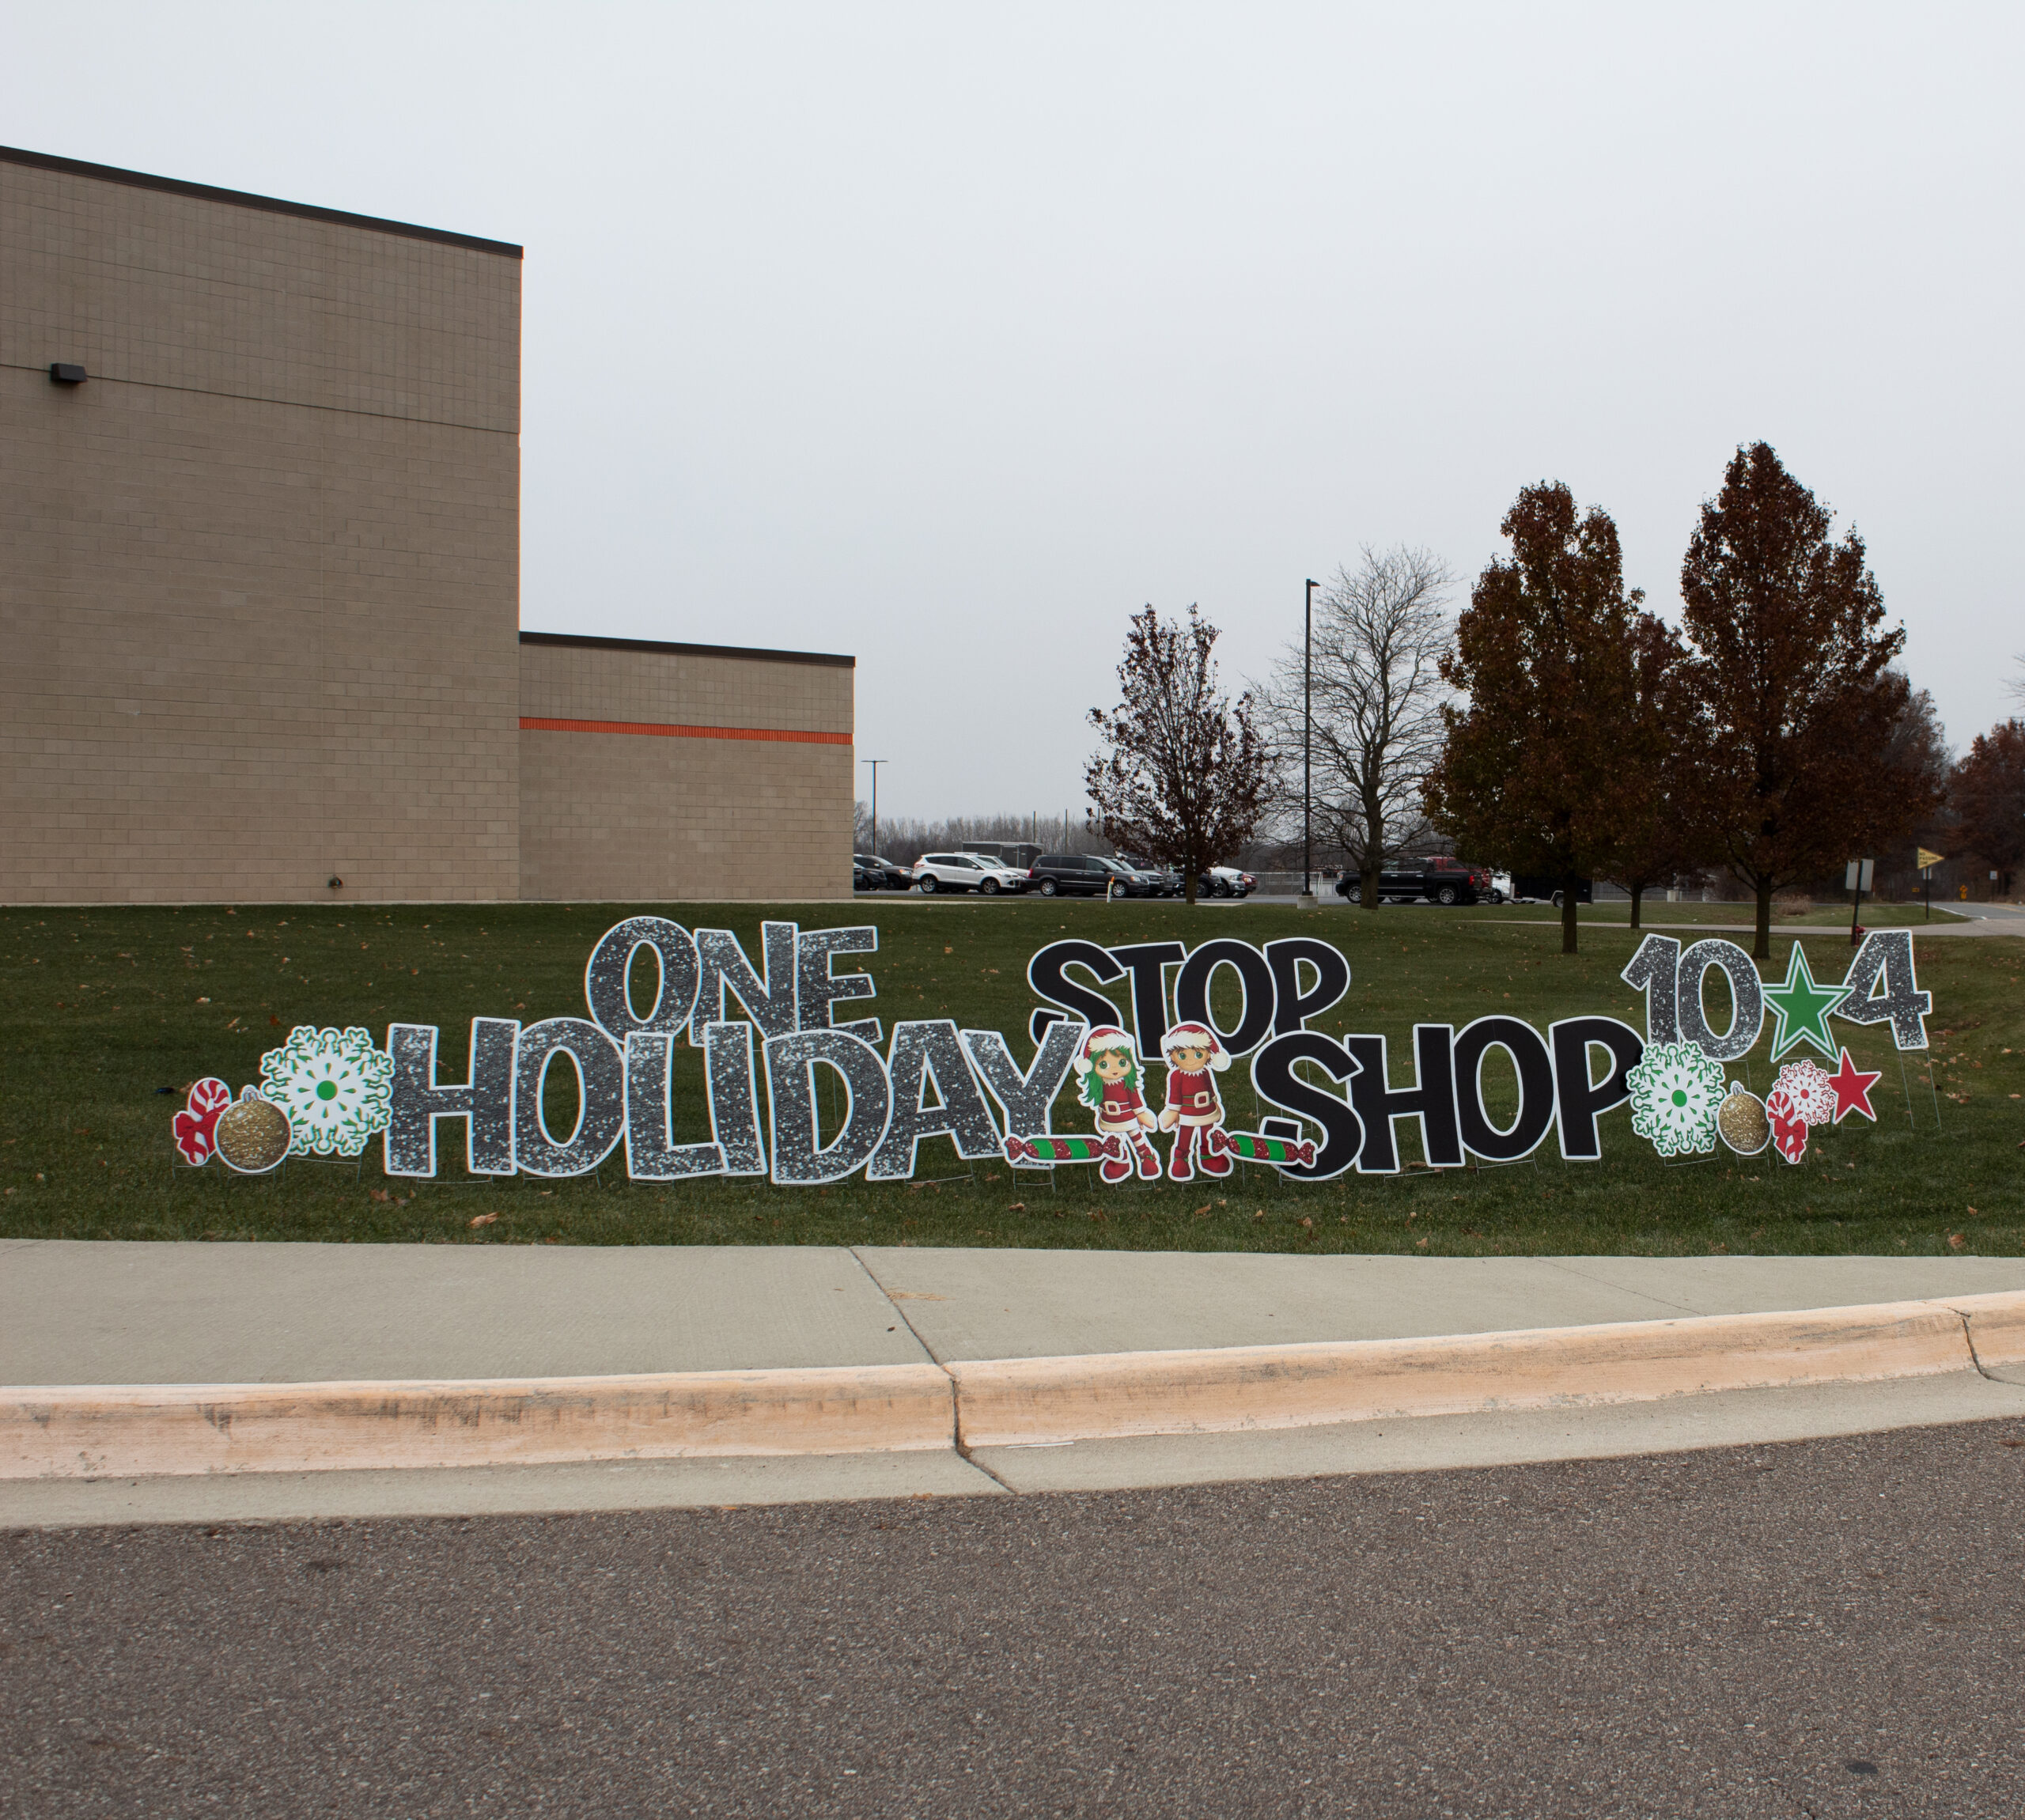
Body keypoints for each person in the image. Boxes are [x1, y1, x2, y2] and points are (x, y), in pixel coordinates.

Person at [1071, 1025, 1160, 1183]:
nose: (1114, 1069)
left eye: (1121, 1062)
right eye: (1104, 1064)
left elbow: (1136, 1101)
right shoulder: (1099, 1085)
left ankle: (1146, 1156)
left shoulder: (1126, 1084)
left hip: (1128, 1117)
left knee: (1136, 1137)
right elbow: (1098, 1101)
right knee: (1115, 1142)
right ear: (1090, 1066)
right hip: (1108, 1119)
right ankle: (1122, 1161)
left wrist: (1141, 1114)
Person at [1157, 1020, 1232, 1182]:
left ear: (1208, 1054)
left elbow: (1211, 1089)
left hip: (1207, 1110)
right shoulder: (1176, 1076)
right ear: (1172, 1056)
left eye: (1198, 1054)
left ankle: (1207, 1156)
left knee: (1208, 1134)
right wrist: (1173, 1111)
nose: (1191, 1060)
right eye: (1183, 1055)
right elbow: (1174, 1097)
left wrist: (1215, 1102)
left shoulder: (1205, 1072)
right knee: (1185, 1136)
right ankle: (1181, 1159)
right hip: (1187, 1113)